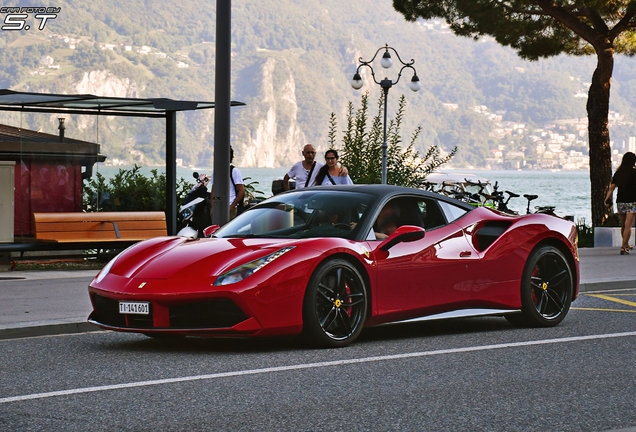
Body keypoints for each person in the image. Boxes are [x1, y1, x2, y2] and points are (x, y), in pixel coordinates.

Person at [605, 151, 636, 255]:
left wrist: (607, 199)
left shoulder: (619, 173)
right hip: (632, 202)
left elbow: (611, 188)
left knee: (623, 225)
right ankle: (623, 247)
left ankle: (626, 244)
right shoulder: (634, 172)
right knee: (628, 225)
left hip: (620, 201)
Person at [283, 144, 349, 190]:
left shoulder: (320, 166)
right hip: (298, 198)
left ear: (315, 154)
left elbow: (332, 167)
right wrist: (289, 193)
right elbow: (286, 178)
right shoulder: (297, 166)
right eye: (308, 152)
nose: (310, 155)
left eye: (312, 152)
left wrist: (344, 169)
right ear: (303, 153)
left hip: (312, 198)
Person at [210, 146, 245, 220]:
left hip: (230, 208)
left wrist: (232, 206)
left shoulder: (234, 171)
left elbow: (241, 190)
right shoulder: (216, 171)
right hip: (218, 208)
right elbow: (213, 189)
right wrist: (213, 207)